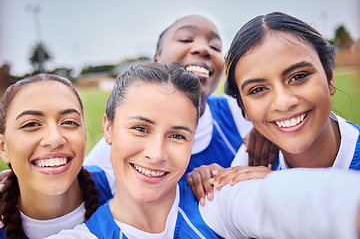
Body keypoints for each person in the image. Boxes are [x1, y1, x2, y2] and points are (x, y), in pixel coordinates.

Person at [48, 62, 360, 239]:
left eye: (177, 135)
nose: (156, 153)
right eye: (141, 129)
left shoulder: (218, 203)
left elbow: (307, 204)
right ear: (107, 127)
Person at [84, 15, 278, 195]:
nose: (203, 49)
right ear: (157, 59)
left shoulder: (240, 113)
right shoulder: (116, 146)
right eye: (186, 39)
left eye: (216, 47)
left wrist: (268, 130)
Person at [188, 11, 360, 199]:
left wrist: (282, 186)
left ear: (329, 79)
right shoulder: (249, 163)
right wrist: (209, 181)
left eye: (298, 77)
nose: (283, 103)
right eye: (258, 90)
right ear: (244, 109)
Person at [0, 74, 113, 239]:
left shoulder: (118, 189)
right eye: (31, 124)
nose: (54, 139)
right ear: (3, 148)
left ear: (84, 138)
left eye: (69, 122)